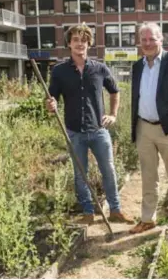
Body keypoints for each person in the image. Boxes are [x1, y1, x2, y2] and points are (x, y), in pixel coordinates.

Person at [46, 24, 134, 225]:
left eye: (84, 40)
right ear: (69, 43)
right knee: (80, 174)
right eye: (76, 39)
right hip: (75, 132)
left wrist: (113, 114)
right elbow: (52, 99)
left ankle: (115, 210)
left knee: (109, 170)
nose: (80, 44)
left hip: (98, 131)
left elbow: (115, 91)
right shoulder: (59, 71)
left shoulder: (100, 68)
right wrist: (51, 105)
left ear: (89, 44)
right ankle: (87, 213)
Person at [129, 22, 168, 234]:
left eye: (152, 39)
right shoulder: (137, 66)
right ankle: (148, 219)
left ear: (161, 40)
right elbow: (136, 97)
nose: (148, 43)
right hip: (144, 129)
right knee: (148, 176)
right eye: (144, 39)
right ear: (140, 42)